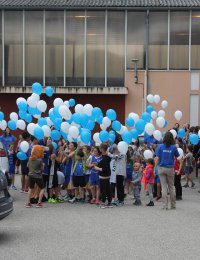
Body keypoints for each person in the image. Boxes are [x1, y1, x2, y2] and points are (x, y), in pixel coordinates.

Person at [155, 132, 180, 210]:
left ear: (164, 137)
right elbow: (178, 157)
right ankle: (173, 205)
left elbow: (157, 158)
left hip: (161, 168)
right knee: (171, 187)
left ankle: (165, 205)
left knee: (164, 187)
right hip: (170, 168)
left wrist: (154, 168)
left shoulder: (160, 147)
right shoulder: (173, 147)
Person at [94, 143, 113, 208]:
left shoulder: (104, 158)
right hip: (107, 176)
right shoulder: (107, 157)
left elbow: (104, 169)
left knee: (103, 190)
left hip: (103, 176)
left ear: (102, 149)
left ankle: (103, 203)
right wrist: (98, 164)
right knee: (108, 189)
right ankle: (109, 202)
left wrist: (97, 168)